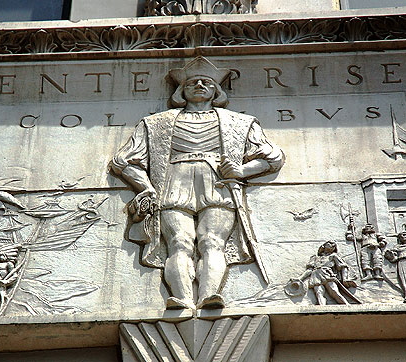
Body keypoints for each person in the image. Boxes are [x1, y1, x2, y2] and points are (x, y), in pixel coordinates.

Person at [110, 57, 284, 310]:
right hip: (173, 183)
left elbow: (272, 158)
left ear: (216, 90)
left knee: (211, 241)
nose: (200, 84)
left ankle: (208, 296)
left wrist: (241, 170)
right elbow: (123, 162)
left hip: (218, 183)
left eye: (207, 82)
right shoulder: (156, 123)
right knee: (179, 241)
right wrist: (146, 188)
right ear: (182, 90)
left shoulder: (240, 122)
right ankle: (181, 298)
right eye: (193, 82)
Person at [297, 241, 356, 305]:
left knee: (334, 292)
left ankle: (347, 305)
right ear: (324, 246)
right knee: (319, 293)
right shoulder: (315, 258)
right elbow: (310, 270)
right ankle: (322, 308)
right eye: (330, 243)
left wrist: (345, 279)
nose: (332, 245)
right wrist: (300, 278)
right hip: (316, 276)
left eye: (333, 245)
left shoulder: (333, 256)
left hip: (327, 275)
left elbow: (343, 267)